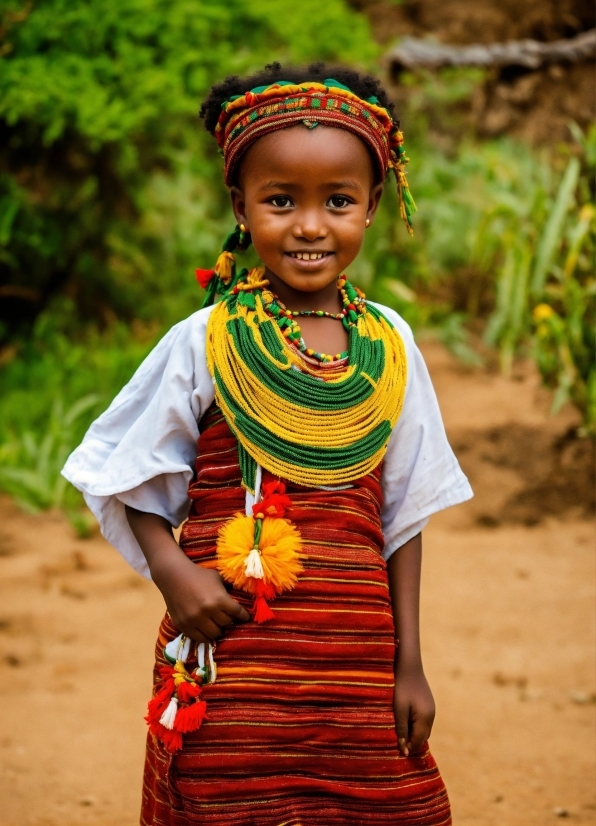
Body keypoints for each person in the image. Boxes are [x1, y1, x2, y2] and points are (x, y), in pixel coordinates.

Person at [63, 61, 473, 826]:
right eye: (281, 201)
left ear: (373, 207)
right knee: (231, 802)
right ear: (241, 207)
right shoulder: (207, 338)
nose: (311, 226)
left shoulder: (391, 343)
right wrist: (173, 578)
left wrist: (408, 663)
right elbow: (125, 472)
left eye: (338, 202)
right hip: (235, 660)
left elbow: (405, 512)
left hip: (354, 662)